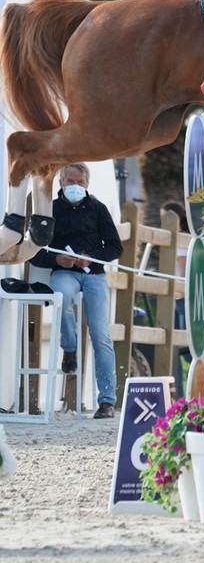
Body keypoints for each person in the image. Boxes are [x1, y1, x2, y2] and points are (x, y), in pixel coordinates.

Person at [31, 163, 123, 419]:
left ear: (87, 184)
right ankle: (69, 348)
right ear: (60, 183)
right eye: (70, 181)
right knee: (61, 299)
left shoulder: (97, 208)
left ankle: (106, 401)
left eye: (80, 182)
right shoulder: (48, 209)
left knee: (101, 334)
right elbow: (33, 252)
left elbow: (115, 247)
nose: (75, 186)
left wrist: (92, 258)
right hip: (64, 272)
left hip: (93, 275)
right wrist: (55, 261)